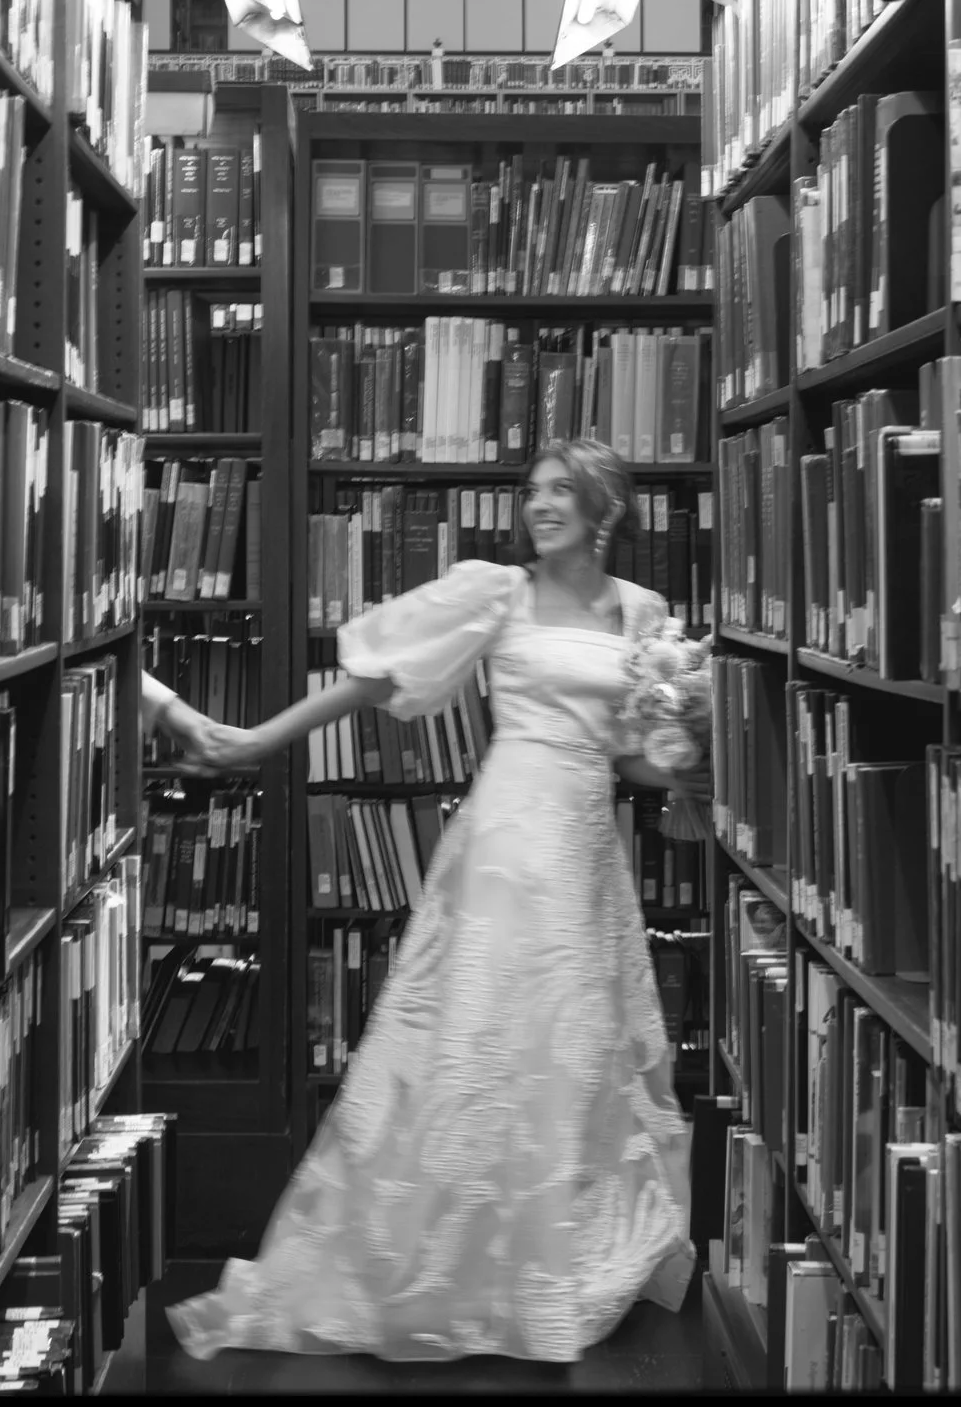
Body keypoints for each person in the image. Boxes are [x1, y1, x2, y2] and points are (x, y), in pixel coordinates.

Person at [152, 437, 708, 1365]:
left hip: (586, 847)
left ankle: (547, 1264)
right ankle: (449, 1262)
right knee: (475, 1042)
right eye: (531, 490)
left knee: (573, 1049)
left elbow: (630, 757)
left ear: (606, 507)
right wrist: (257, 742)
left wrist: (692, 754)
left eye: (560, 491)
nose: (539, 505)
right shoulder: (499, 593)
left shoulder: (645, 617)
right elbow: (374, 684)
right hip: (503, 840)